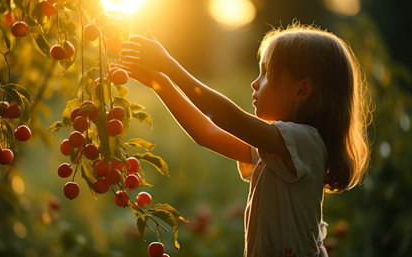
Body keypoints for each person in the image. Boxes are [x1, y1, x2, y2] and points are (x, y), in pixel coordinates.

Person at [120, 23, 372, 257]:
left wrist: (171, 67)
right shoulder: (278, 146)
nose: (254, 83)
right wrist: (160, 82)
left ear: (301, 90)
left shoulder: (305, 142)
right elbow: (207, 134)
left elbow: (227, 118)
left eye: (265, 73)